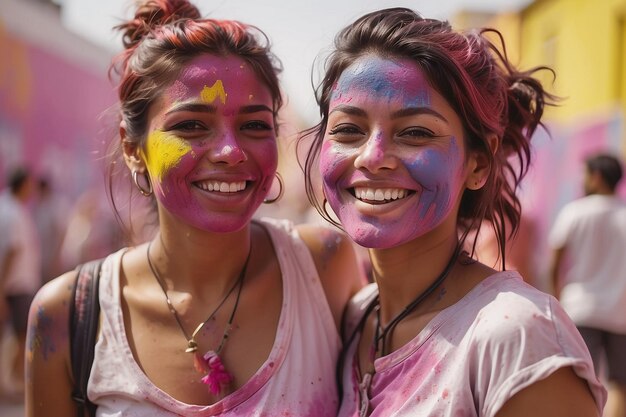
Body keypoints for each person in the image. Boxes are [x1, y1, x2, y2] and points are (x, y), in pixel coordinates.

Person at [25, 1, 362, 416]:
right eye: (191, 125)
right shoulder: (66, 315)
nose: (230, 152)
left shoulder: (324, 267)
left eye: (255, 125)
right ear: (133, 149)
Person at [301, 8, 607, 416]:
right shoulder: (355, 319)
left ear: (478, 164)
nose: (372, 158)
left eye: (416, 132)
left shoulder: (518, 337)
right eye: (348, 130)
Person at [549, 153, 626, 417]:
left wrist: (555, 298)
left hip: (579, 309)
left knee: (582, 379)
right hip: (620, 312)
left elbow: (554, 263)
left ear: (597, 177)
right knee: (620, 382)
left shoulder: (574, 212)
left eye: (584, 174)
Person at [0, 166, 41, 397]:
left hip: (13, 284)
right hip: (15, 285)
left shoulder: (8, 208)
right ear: (23, 185)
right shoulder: (13, 212)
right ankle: (12, 381)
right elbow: (11, 251)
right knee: (23, 335)